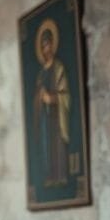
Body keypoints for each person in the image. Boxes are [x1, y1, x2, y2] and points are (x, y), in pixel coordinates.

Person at [33, 24, 70, 186]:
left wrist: (52, 98)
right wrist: (39, 99)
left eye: (47, 44)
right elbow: (36, 97)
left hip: (56, 117)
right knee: (47, 148)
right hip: (44, 119)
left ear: (53, 44)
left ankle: (60, 176)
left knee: (57, 146)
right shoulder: (41, 73)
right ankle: (49, 176)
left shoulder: (59, 67)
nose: (45, 48)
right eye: (43, 45)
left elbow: (65, 94)